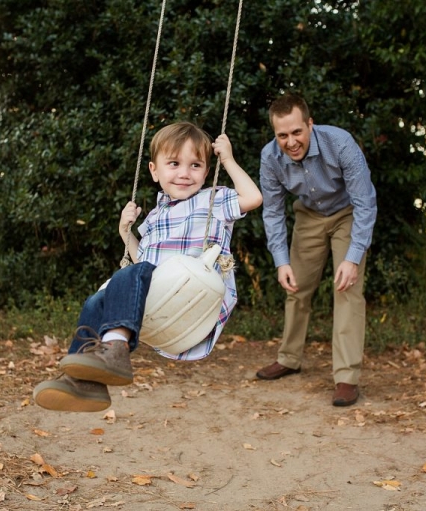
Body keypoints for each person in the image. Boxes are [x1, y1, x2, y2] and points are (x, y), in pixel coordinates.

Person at [33, 121, 262, 412]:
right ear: (154, 171)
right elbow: (143, 262)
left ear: (207, 171)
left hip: (195, 295)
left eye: (195, 165)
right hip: (164, 297)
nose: (184, 173)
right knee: (99, 298)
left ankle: (116, 348)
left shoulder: (213, 199)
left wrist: (227, 159)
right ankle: (82, 381)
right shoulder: (155, 216)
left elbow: (253, 198)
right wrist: (126, 234)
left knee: (129, 275)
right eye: (174, 163)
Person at [255, 93, 377, 407]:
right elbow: (272, 211)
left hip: (347, 214)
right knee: (296, 286)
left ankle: (347, 378)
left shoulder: (341, 144)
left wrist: (352, 257)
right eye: (282, 135)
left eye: (297, 132)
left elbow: (365, 203)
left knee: (347, 289)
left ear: (310, 124)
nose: (291, 141)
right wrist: (281, 261)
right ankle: (289, 358)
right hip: (308, 216)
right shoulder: (270, 157)